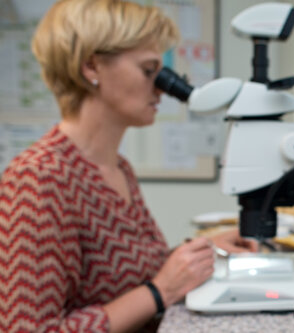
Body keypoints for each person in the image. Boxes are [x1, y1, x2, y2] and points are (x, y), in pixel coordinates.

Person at [0, 0, 258, 332]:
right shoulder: (38, 179)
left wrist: (199, 251)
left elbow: (120, 274)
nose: (162, 88)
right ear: (91, 68)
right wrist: (161, 290)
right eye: (150, 71)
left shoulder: (117, 167)